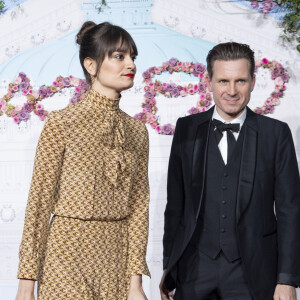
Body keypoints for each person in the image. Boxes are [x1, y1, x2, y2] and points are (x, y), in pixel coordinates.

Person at [15, 21, 150, 300]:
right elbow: (39, 202)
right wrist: (26, 286)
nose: (131, 64)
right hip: (66, 257)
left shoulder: (137, 131)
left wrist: (135, 282)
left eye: (132, 57)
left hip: (117, 261)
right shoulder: (63, 123)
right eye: (119, 56)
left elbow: (139, 207)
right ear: (91, 65)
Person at [160, 42, 300, 300]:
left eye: (241, 81)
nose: (232, 91)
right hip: (193, 271)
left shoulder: (275, 134)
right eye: (223, 81)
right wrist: (169, 265)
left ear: (253, 82)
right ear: (208, 82)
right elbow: (176, 206)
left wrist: (287, 278)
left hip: (254, 273)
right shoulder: (186, 129)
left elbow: (290, 211)